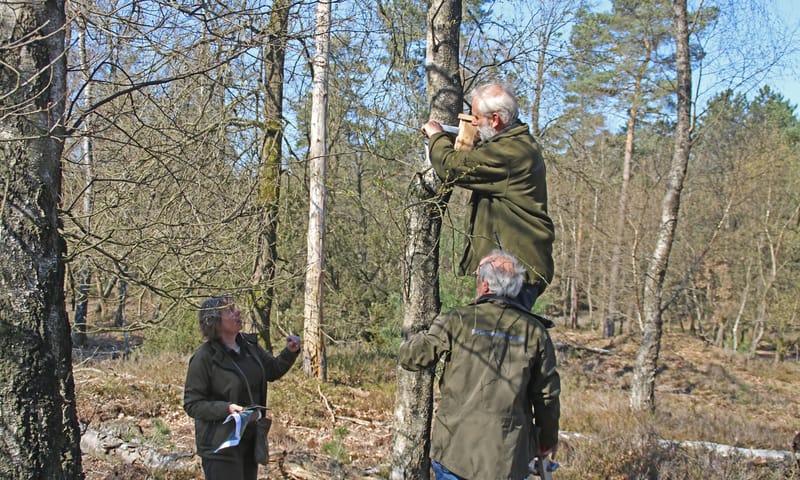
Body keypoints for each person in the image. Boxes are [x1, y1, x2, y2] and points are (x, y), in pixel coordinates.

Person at [399, 250, 560, 480]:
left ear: (484, 284)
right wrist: (547, 441)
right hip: (508, 458)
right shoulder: (535, 332)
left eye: (477, 275)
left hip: (455, 451)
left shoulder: (458, 320)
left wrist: (421, 333)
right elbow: (547, 396)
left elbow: (411, 357)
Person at [421, 82, 555, 311]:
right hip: (511, 266)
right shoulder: (513, 143)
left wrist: (437, 136)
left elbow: (452, 167)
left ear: (495, 120)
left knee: (501, 337)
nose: (472, 122)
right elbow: (484, 154)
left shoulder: (512, 153)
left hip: (513, 270)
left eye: (476, 117)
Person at [184, 295, 301, 480]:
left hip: (250, 440)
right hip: (219, 445)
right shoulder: (204, 357)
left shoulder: (249, 346)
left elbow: (272, 371)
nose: (238, 312)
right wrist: (226, 408)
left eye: (235, 308)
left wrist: (290, 352)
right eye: (230, 310)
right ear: (214, 320)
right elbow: (192, 404)